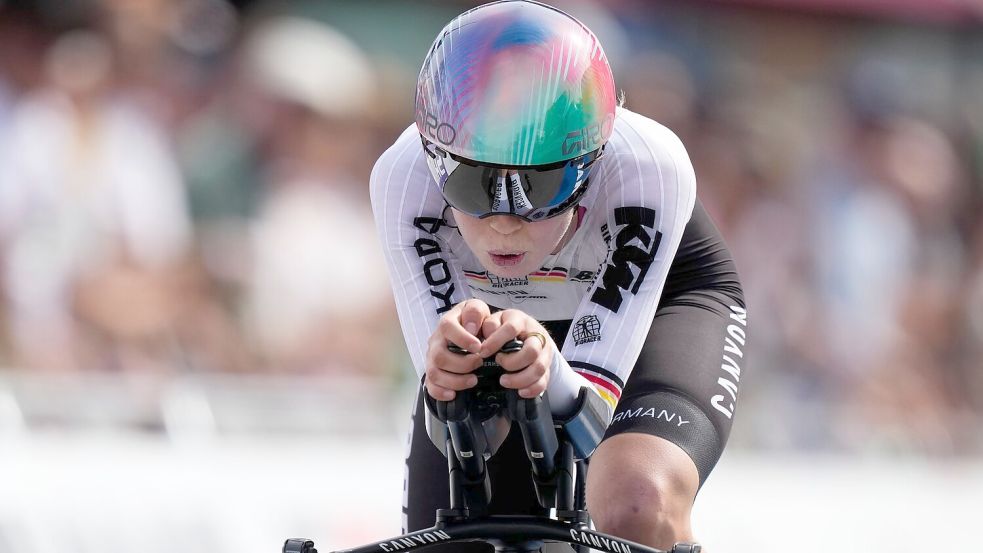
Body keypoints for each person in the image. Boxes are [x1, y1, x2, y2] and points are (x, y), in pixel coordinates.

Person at [370, 1, 747, 550]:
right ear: (434, 158)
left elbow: (589, 422)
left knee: (633, 500)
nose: (504, 222)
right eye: (474, 185)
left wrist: (561, 376)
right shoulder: (403, 179)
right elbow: (456, 427)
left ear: (588, 167)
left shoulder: (648, 168)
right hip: (508, 328)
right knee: (458, 536)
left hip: (664, 305)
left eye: (538, 187)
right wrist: (456, 385)